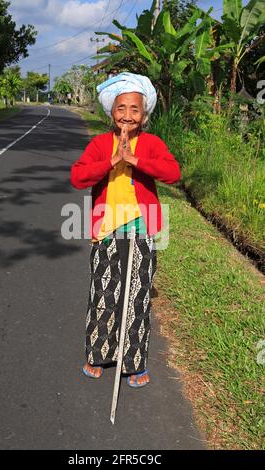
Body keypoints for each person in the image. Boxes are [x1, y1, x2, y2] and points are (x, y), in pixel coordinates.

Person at [70, 72, 181, 387]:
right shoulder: (100, 143)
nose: (128, 115)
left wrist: (135, 160)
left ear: (144, 115)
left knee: (137, 296)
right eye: (122, 108)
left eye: (135, 109)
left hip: (142, 232)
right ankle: (98, 355)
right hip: (106, 232)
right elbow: (78, 178)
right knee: (104, 294)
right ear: (111, 112)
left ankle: (134, 362)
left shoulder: (152, 143)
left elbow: (173, 173)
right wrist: (112, 160)